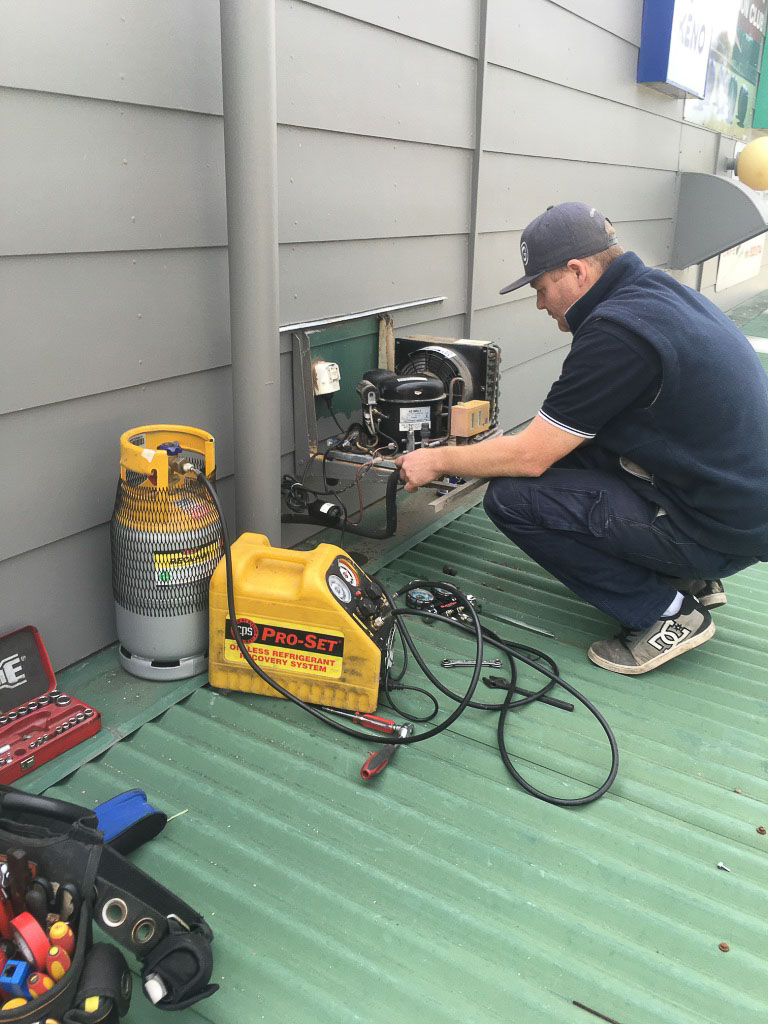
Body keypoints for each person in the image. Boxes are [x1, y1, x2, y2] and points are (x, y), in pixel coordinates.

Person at [395, 202, 768, 675]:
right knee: (573, 455)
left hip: (722, 529)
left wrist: (438, 459)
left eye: (541, 287)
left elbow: (530, 456)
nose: (539, 303)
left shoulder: (618, 333)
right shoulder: (654, 293)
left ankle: (666, 613)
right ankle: (689, 575)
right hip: (732, 505)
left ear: (576, 271)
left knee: (512, 498)